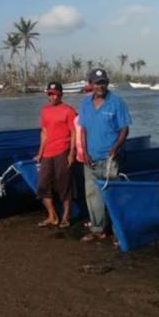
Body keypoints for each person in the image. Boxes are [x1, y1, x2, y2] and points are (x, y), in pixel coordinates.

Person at [78, 68, 131, 242]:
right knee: (92, 197)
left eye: (103, 82)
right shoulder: (85, 103)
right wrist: (84, 152)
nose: (100, 86)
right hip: (90, 159)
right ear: (90, 84)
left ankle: (119, 232)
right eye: (96, 83)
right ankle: (98, 229)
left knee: (114, 195)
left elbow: (124, 129)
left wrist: (115, 148)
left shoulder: (117, 102)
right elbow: (83, 129)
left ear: (107, 83)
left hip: (110, 159)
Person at [34, 82, 77, 228]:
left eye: (56, 94)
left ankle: (66, 216)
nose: (53, 97)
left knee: (63, 185)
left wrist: (72, 153)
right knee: (42, 186)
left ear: (61, 94)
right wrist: (40, 153)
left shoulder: (68, 110)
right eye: (50, 94)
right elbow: (44, 133)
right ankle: (52, 215)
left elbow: (74, 132)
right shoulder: (45, 110)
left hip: (63, 151)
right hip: (47, 153)